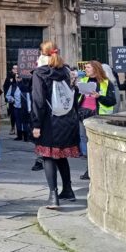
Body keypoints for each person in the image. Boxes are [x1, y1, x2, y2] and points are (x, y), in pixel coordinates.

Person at [30, 41, 80, 210]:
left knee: (48, 157)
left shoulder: (40, 73)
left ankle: (53, 195)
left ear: (42, 54)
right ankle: (68, 190)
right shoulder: (66, 70)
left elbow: (38, 100)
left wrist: (36, 124)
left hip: (49, 121)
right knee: (62, 155)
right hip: (67, 120)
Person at [77, 60, 117, 181]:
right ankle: (89, 168)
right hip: (83, 114)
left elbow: (112, 101)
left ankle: (98, 167)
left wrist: (99, 97)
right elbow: (77, 97)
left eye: (88, 67)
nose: (86, 70)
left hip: (98, 116)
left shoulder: (106, 83)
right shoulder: (83, 81)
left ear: (95, 68)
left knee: (96, 142)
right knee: (86, 141)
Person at [3, 65, 19, 135]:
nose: (15, 70)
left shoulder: (21, 76)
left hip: (20, 99)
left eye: (17, 68)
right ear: (12, 69)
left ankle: (20, 130)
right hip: (12, 100)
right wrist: (7, 98)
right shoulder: (9, 77)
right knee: (12, 114)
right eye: (14, 68)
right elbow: (5, 87)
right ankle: (12, 127)